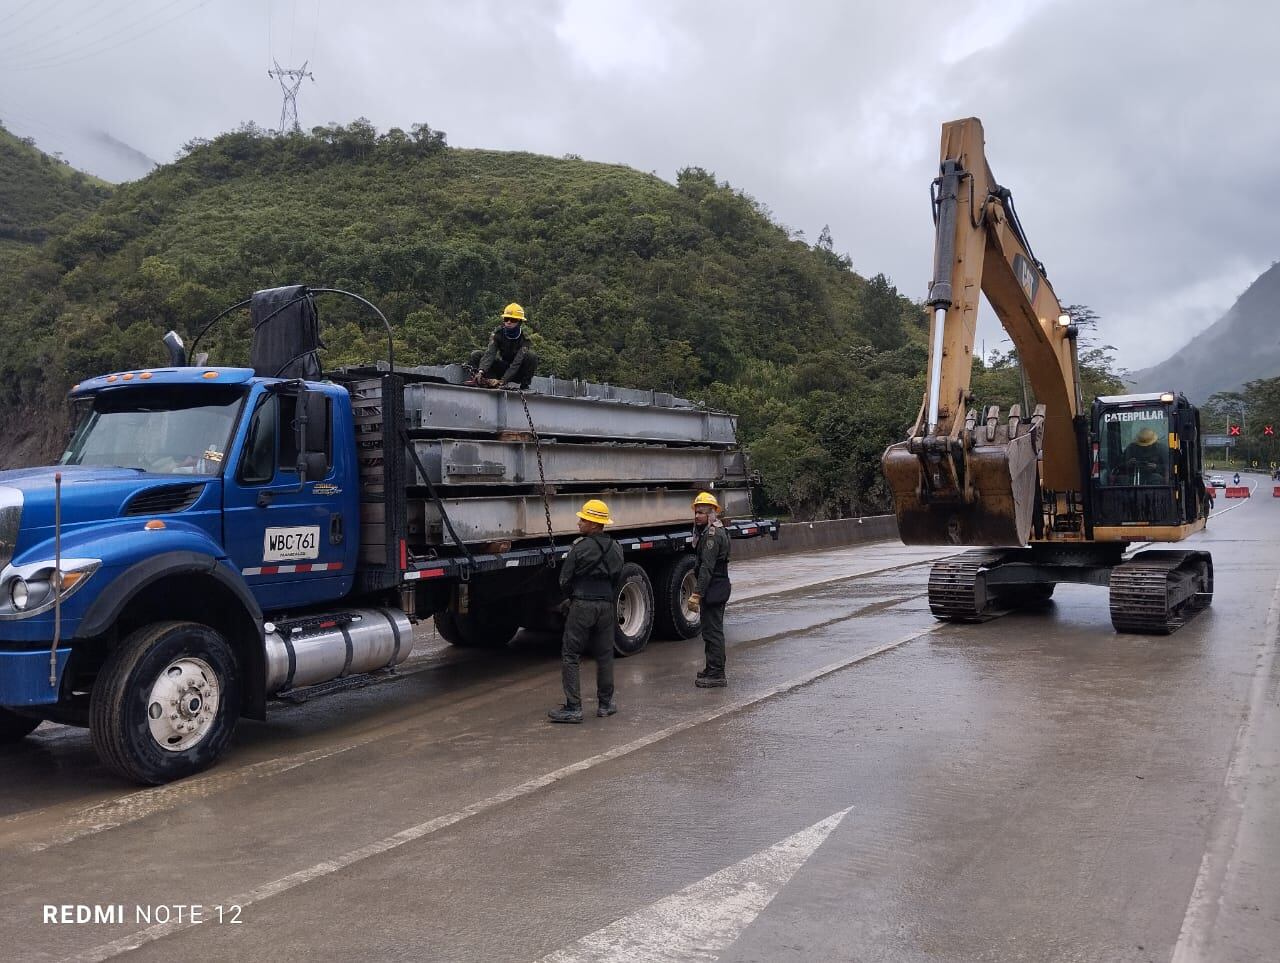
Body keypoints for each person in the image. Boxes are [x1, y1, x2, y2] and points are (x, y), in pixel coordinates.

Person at [548, 499, 624, 724]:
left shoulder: (579, 548)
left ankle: (573, 707)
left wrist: (574, 597)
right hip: (606, 606)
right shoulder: (616, 548)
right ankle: (605, 705)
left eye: (583, 519)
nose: (579, 522)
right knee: (604, 655)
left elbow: (564, 580)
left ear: (594, 524)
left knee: (571, 654)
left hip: (582, 605)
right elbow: (617, 577)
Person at [689, 491, 732, 688]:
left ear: (712, 514)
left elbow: (706, 568)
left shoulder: (712, 536)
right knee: (710, 630)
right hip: (717, 586)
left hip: (714, 587)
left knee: (712, 632)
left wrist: (697, 594)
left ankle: (717, 673)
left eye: (702, 512)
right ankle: (712, 667)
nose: (697, 516)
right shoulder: (712, 531)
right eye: (696, 512)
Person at [468, 302, 538, 389]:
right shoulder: (498, 333)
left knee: (531, 356)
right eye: (506, 319)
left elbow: (516, 363)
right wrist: (481, 371)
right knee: (476, 354)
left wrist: (503, 381)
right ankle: (483, 380)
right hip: (503, 367)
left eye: (513, 320)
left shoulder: (525, 339)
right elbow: (490, 354)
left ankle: (525, 386)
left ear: (519, 322)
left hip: (517, 372)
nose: (508, 322)